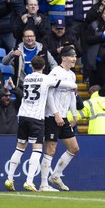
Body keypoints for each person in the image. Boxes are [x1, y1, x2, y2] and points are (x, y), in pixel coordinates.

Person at [4, 56, 77, 192]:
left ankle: (9, 179)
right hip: (36, 118)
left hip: (23, 116)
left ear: (31, 66)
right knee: (36, 150)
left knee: (19, 149)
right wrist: (74, 85)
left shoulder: (27, 78)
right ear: (44, 67)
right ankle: (29, 181)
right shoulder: (46, 78)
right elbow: (64, 84)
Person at [40, 46, 79, 192]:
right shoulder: (55, 72)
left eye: (75, 56)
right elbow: (49, 94)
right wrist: (56, 114)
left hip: (64, 116)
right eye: (71, 56)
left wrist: (74, 115)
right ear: (63, 58)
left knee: (74, 148)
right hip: (52, 115)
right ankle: (44, 184)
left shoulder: (72, 75)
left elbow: (71, 96)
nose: (74, 59)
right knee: (51, 148)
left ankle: (55, 176)